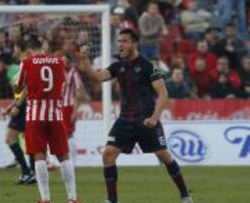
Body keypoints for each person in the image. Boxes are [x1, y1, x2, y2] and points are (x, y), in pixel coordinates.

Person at [78, 29, 193, 203]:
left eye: (124, 41)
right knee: (108, 154)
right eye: (119, 41)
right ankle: (112, 200)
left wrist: (154, 118)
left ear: (134, 43)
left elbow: (163, 93)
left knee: (164, 156)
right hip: (125, 119)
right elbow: (98, 77)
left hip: (146, 119)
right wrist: (84, 60)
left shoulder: (147, 66)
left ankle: (185, 196)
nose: (120, 45)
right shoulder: (118, 66)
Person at [14, 36, 80, 203]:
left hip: (35, 116)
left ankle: (45, 199)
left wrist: (20, 90)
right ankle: (72, 198)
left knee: (39, 155)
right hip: (55, 115)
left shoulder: (27, 63)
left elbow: (19, 86)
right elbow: (62, 84)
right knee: (63, 155)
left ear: (29, 51)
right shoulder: (58, 62)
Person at [3, 62, 35, 184]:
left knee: (10, 138)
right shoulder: (23, 66)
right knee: (29, 140)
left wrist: (17, 105)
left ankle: (27, 172)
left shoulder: (18, 68)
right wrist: (12, 105)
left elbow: (25, 89)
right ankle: (31, 172)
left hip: (23, 106)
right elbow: (21, 92)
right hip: (26, 105)